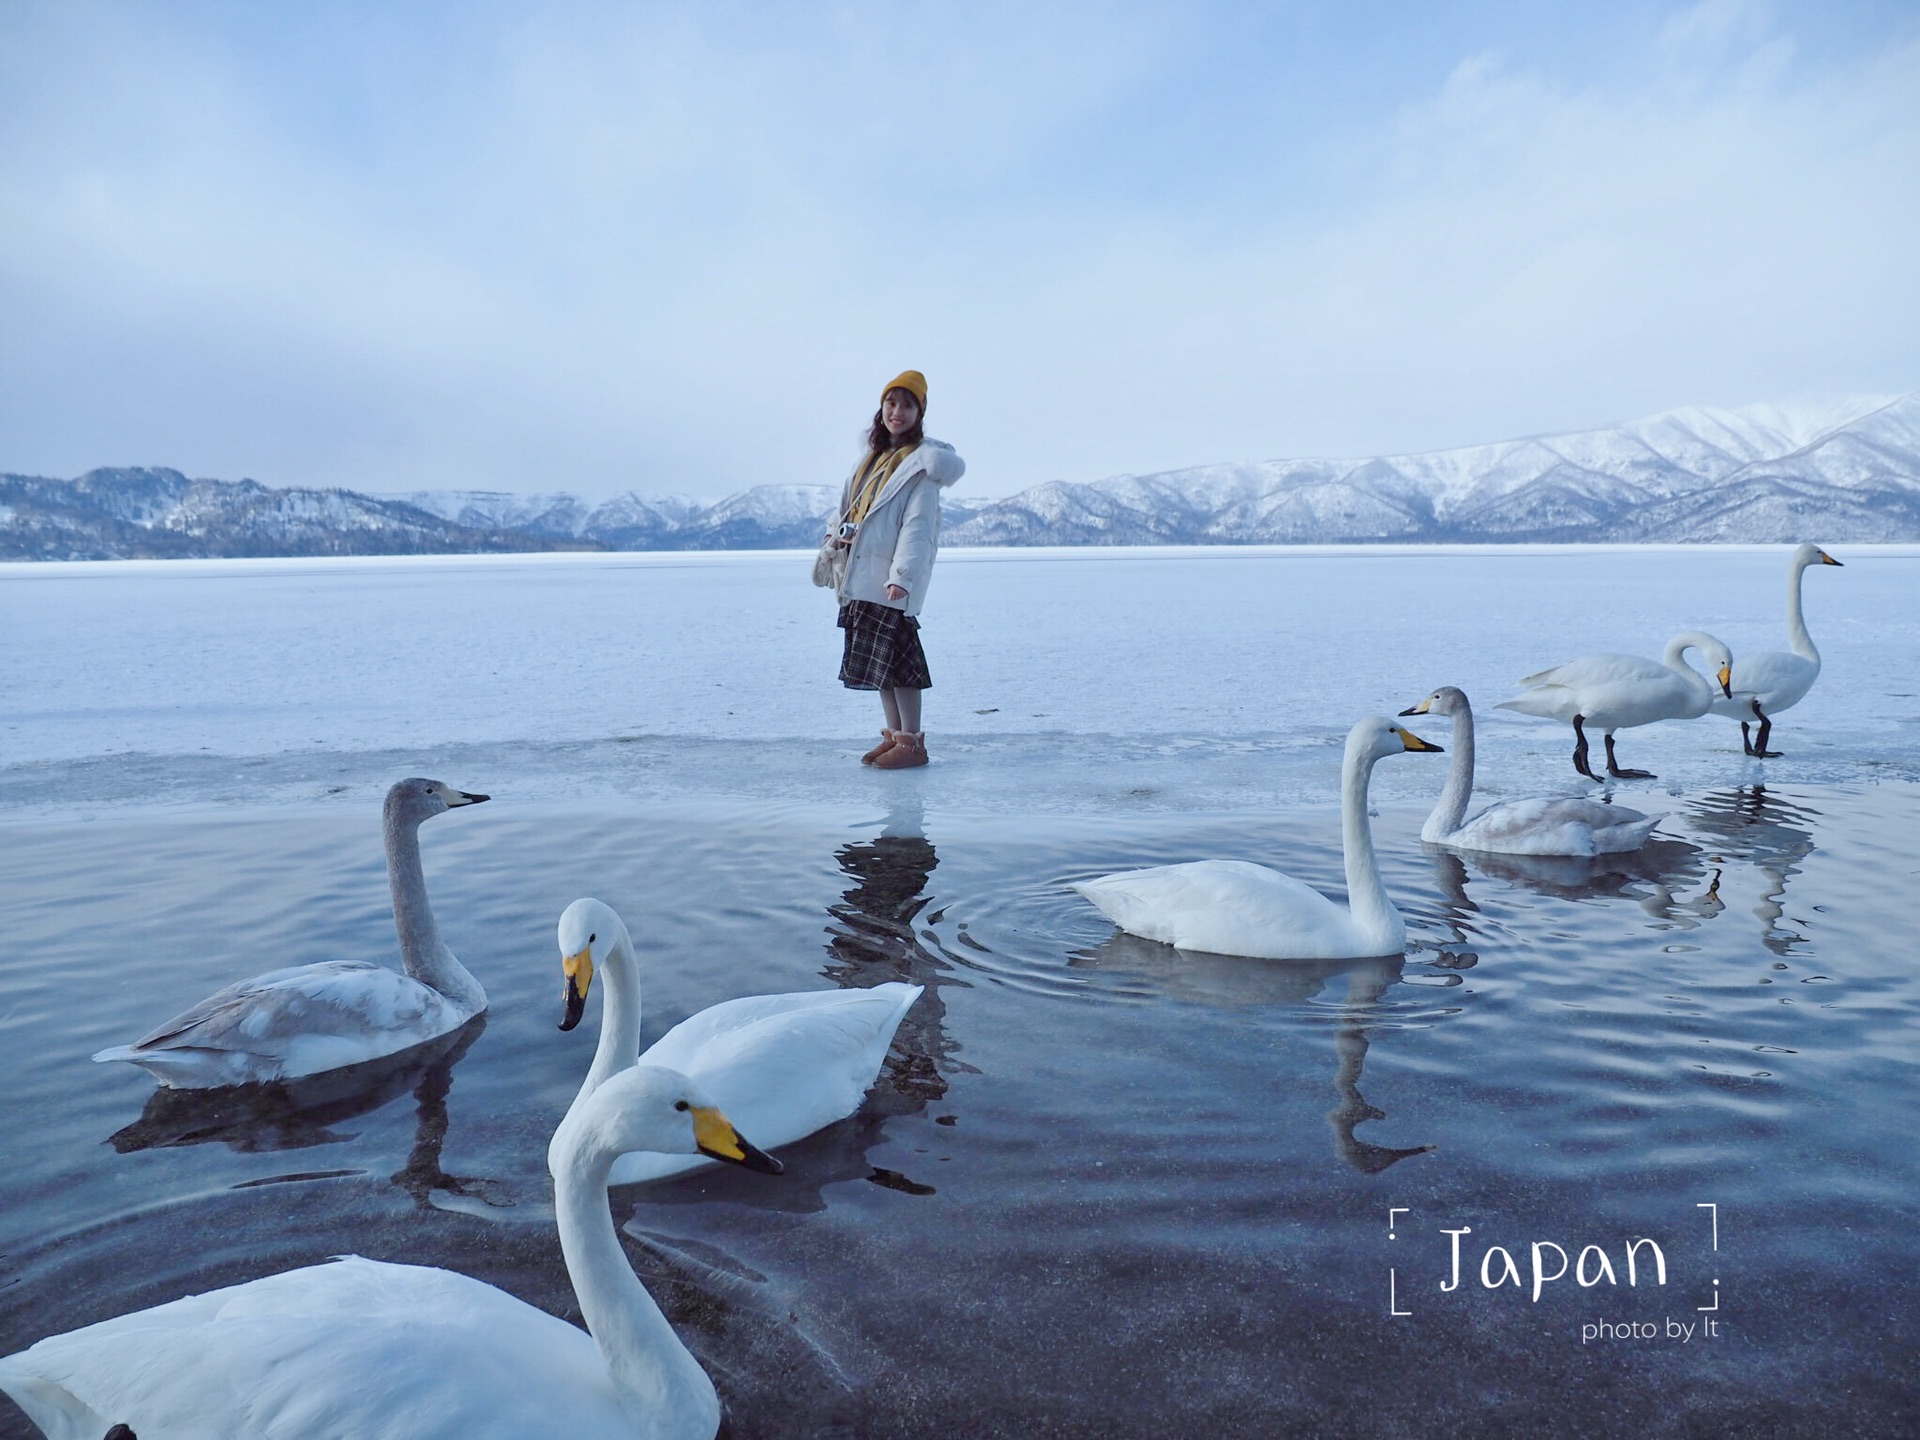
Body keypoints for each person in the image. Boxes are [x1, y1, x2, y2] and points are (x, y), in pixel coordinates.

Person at [827, 370, 965, 768]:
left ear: (919, 413)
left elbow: (917, 528)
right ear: (881, 407)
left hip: (889, 579)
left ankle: (913, 743)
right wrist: (835, 539)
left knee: (902, 665)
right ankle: (894, 735)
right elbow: (850, 510)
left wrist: (902, 577)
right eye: (891, 402)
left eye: (907, 404)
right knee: (881, 666)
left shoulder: (921, 467)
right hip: (863, 573)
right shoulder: (871, 460)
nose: (897, 411)